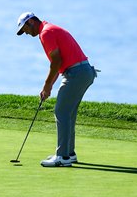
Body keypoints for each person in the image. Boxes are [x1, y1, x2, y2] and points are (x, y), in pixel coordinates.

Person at [16, 12, 97, 167]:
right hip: (82, 72)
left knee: (61, 112)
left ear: (31, 22)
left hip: (76, 73)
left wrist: (46, 85)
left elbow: (56, 61)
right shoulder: (48, 29)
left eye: (24, 29)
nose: (25, 33)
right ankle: (69, 153)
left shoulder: (46, 33)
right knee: (69, 113)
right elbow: (58, 64)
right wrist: (49, 87)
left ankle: (62, 157)